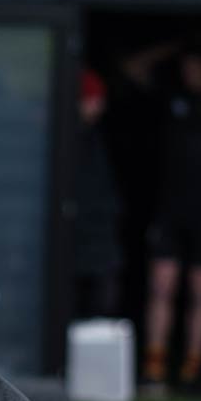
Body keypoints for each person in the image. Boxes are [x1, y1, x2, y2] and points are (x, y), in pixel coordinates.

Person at [122, 38, 201, 394]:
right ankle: (154, 370)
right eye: (188, 65)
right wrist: (174, 45)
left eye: (199, 65)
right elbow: (132, 68)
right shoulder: (170, 98)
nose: (192, 72)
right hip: (170, 208)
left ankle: (192, 370)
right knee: (162, 286)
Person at [73, 69, 123, 318]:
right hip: (74, 229)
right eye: (93, 100)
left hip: (98, 228)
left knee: (103, 295)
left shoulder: (95, 134)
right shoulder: (62, 136)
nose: (99, 107)